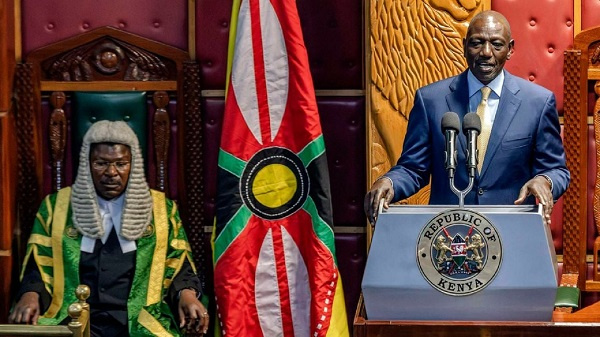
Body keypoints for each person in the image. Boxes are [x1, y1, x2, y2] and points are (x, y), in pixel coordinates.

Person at [364, 10, 570, 224]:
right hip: (450, 234)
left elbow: (556, 169)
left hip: (512, 232)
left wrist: (544, 181)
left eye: (497, 44)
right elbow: (413, 168)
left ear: (510, 50)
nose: (486, 52)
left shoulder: (537, 102)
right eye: (477, 43)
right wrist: (389, 182)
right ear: (464, 46)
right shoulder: (431, 100)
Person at [8, 120, 209, 336]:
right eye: (101, 163)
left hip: (138, 320)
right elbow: (37, 267)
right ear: (87, 164)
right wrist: (30, 294)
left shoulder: (161, 210)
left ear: (133, 164)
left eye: (121, 164)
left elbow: (179, 266)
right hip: (73, 318)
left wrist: (187, 294)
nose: (111, 172)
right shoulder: (56, 207)